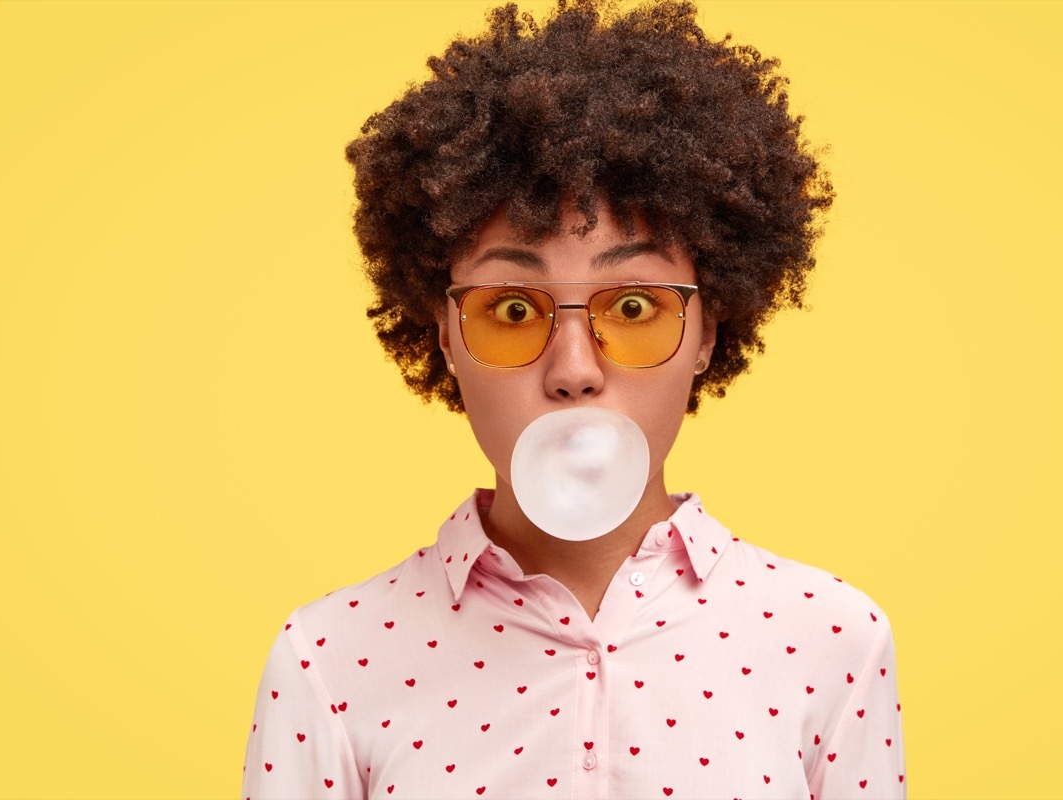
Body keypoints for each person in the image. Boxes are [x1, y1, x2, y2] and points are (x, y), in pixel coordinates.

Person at [242, 1, 906, 798]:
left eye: (632, 308)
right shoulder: (328, 660)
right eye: (513, 310)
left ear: (705, 331)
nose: (574, 370)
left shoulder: (830, 638)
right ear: (446, 335)